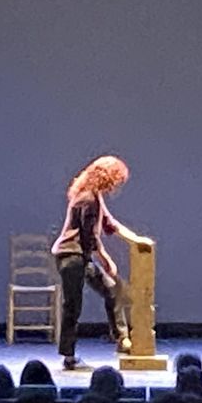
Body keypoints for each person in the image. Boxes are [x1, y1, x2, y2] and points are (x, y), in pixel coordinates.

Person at [50, 154, 152, 371]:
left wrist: (135, 240)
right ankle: (68, 356)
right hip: (71, 256)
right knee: (73, 305)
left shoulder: (95, 197)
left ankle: (121, 339)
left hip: (81, 257)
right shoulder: (86, 198)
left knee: (111, 290)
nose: (116, 186)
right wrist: (106, 259)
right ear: (107, 177)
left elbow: (109, 224)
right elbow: (89, 237)